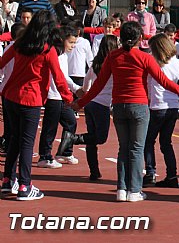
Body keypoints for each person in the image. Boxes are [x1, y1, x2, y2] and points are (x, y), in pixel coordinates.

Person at [73, 21, 179, 202]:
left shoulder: (113, 57)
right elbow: (166, 83)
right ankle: (134, 190)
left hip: (118, 106)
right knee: (136, 148)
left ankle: (122, 188)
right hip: (139, 106)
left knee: (123, 148)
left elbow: (98, 85)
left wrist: (80, 103)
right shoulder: (145, 58)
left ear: (121, 37)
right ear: (140, 38)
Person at [0, 11, 74, 201]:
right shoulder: (47, 50)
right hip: (30, 99)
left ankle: (8, 180)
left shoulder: (19, 44)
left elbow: (1, 62)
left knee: (16, 139)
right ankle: (25, 185)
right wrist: (69, 99)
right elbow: (58, 78)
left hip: (11, 96)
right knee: (26, 141)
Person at [143, 34, 179, 188]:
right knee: (166, 142)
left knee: (148, 140)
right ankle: (172, 175)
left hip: (157, 106)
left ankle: (150, 173)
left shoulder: (153, 62)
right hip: (173, 107)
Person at [59, 35, 119, 181]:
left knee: (92, 139)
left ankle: (94, 171)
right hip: (101, 104)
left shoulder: (95, 64)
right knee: (100, 137)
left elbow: (86, 84)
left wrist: (83, 96)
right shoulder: (113, 64)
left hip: (91, 103)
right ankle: (73, 138)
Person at [36, 26, 83, 169]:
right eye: (71, 42)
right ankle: (44, 156)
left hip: (61, 95)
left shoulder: (63, 55)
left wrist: (75, 88)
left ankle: (64, 152)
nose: (73, 46)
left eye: (74, 43)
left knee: (71, 122)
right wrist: (73, 90)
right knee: (50, 127)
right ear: (62, 40)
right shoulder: (54, 53)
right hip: (52, 95)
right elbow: (58, 76)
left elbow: (64, 76)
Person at [0, 22, 26, 160]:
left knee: (9, 121)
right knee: (18, 123)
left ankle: (9, 145)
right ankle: (13, 147)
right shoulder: (20, 49)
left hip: (6, 89)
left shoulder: (9, 49)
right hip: (16, 90)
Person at [67, 21, 94, 87]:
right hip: (67, 74)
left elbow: (90, 59)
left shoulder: (85, 42)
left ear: (78, 31)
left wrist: (92, 76)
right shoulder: (66, 42)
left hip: (80, 75)